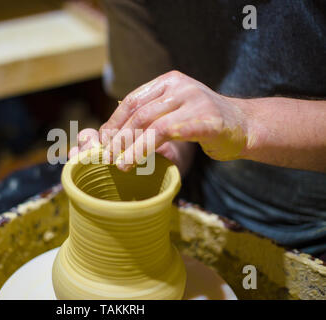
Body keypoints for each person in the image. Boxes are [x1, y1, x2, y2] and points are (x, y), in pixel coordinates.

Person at [70, 0, 326, 258]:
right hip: (209, 198)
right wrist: (159, 150)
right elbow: (157, 109)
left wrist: (246, 123)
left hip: (314, 227)